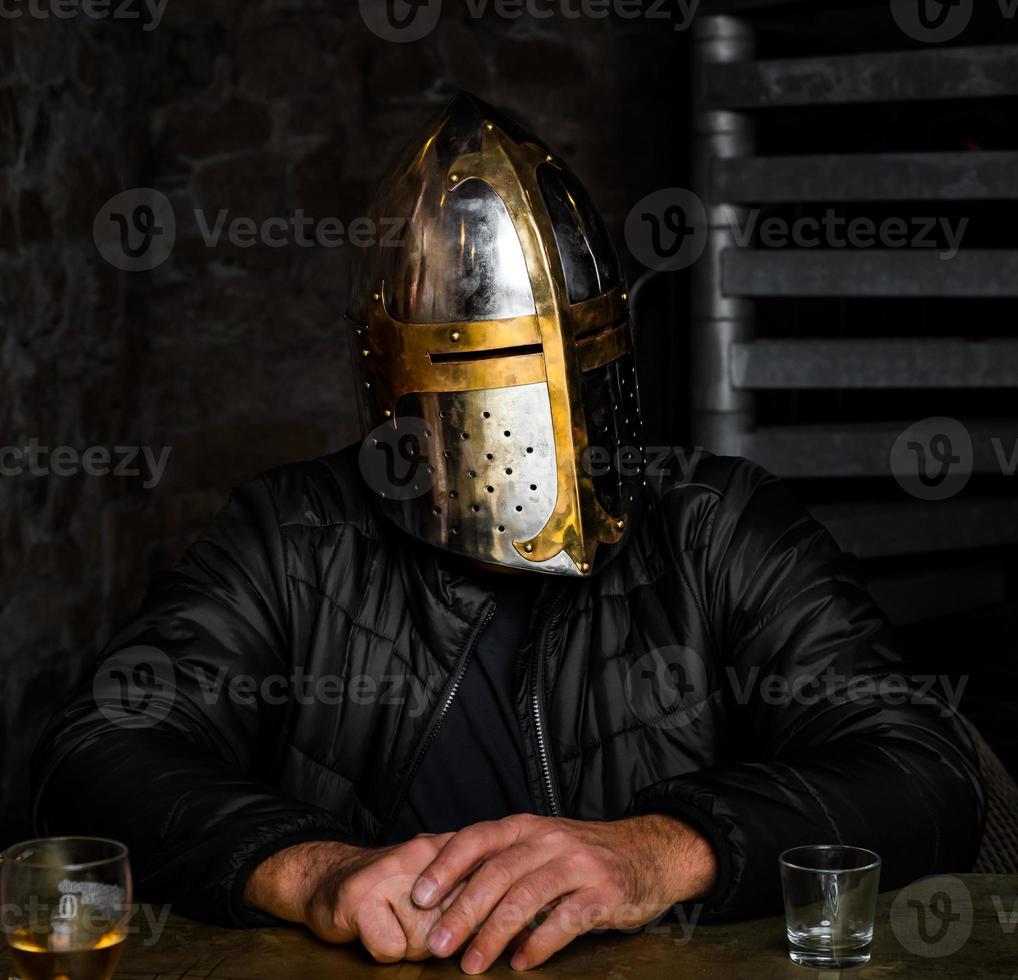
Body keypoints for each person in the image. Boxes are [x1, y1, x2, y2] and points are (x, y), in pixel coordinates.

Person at [33, 94, 985, 973]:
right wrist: (304, 868)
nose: (528, 416)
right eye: (477, 368)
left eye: (566, 353)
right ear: (394, 384)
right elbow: (94, 755)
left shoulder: (719, 527)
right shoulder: (294, 534)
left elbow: (922, 770)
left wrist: (663, 850)